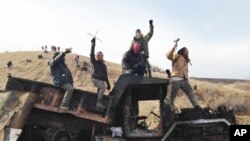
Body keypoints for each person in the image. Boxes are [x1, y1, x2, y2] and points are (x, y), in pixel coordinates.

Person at [166, 42, 201, 109]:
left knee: (191, 93)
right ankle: (168, 111)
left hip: (184, 80)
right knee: (171, 97)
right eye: (186, 51)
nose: (188, 52)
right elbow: (168, 56)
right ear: (183, 51)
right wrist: (173, 48)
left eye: (188, 51)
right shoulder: (177, 56)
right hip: (176, 79)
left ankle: (197, 107)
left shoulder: (186, 60)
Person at [90, 38, 111, 109]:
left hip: (102, 81)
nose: (101, 56)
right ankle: (98, 103)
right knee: (103, 87)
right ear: (97, 56)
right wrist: (93, 44)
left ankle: (97, 105)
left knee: (101, 88)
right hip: (95, 79)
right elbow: (91, 54)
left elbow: (105, 76)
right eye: (99, 55)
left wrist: (108, 84)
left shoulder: (103, 65)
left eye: (102, 55)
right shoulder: (94, 62)